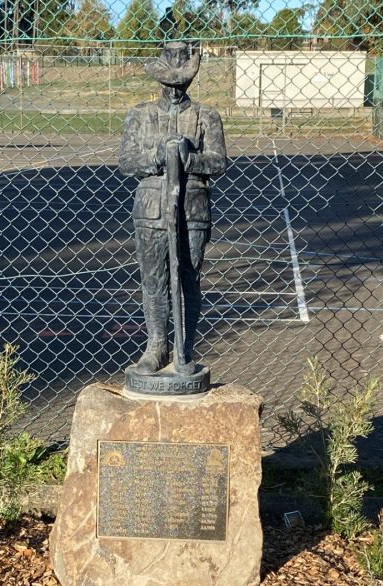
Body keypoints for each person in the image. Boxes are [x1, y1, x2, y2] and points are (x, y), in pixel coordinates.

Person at [119, 41, 227, 376]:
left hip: (192, 209)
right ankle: (155, 346)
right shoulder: (141, 115)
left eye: (182, 82)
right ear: (160, 82)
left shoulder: (206, 115)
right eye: (170, 83)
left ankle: (184, 348)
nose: (176, 89)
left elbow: (219, 161)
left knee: (188, 280)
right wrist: (156, 158)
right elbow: (127, 161)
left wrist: (188, 158)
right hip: (151, 209)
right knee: (154, 280)